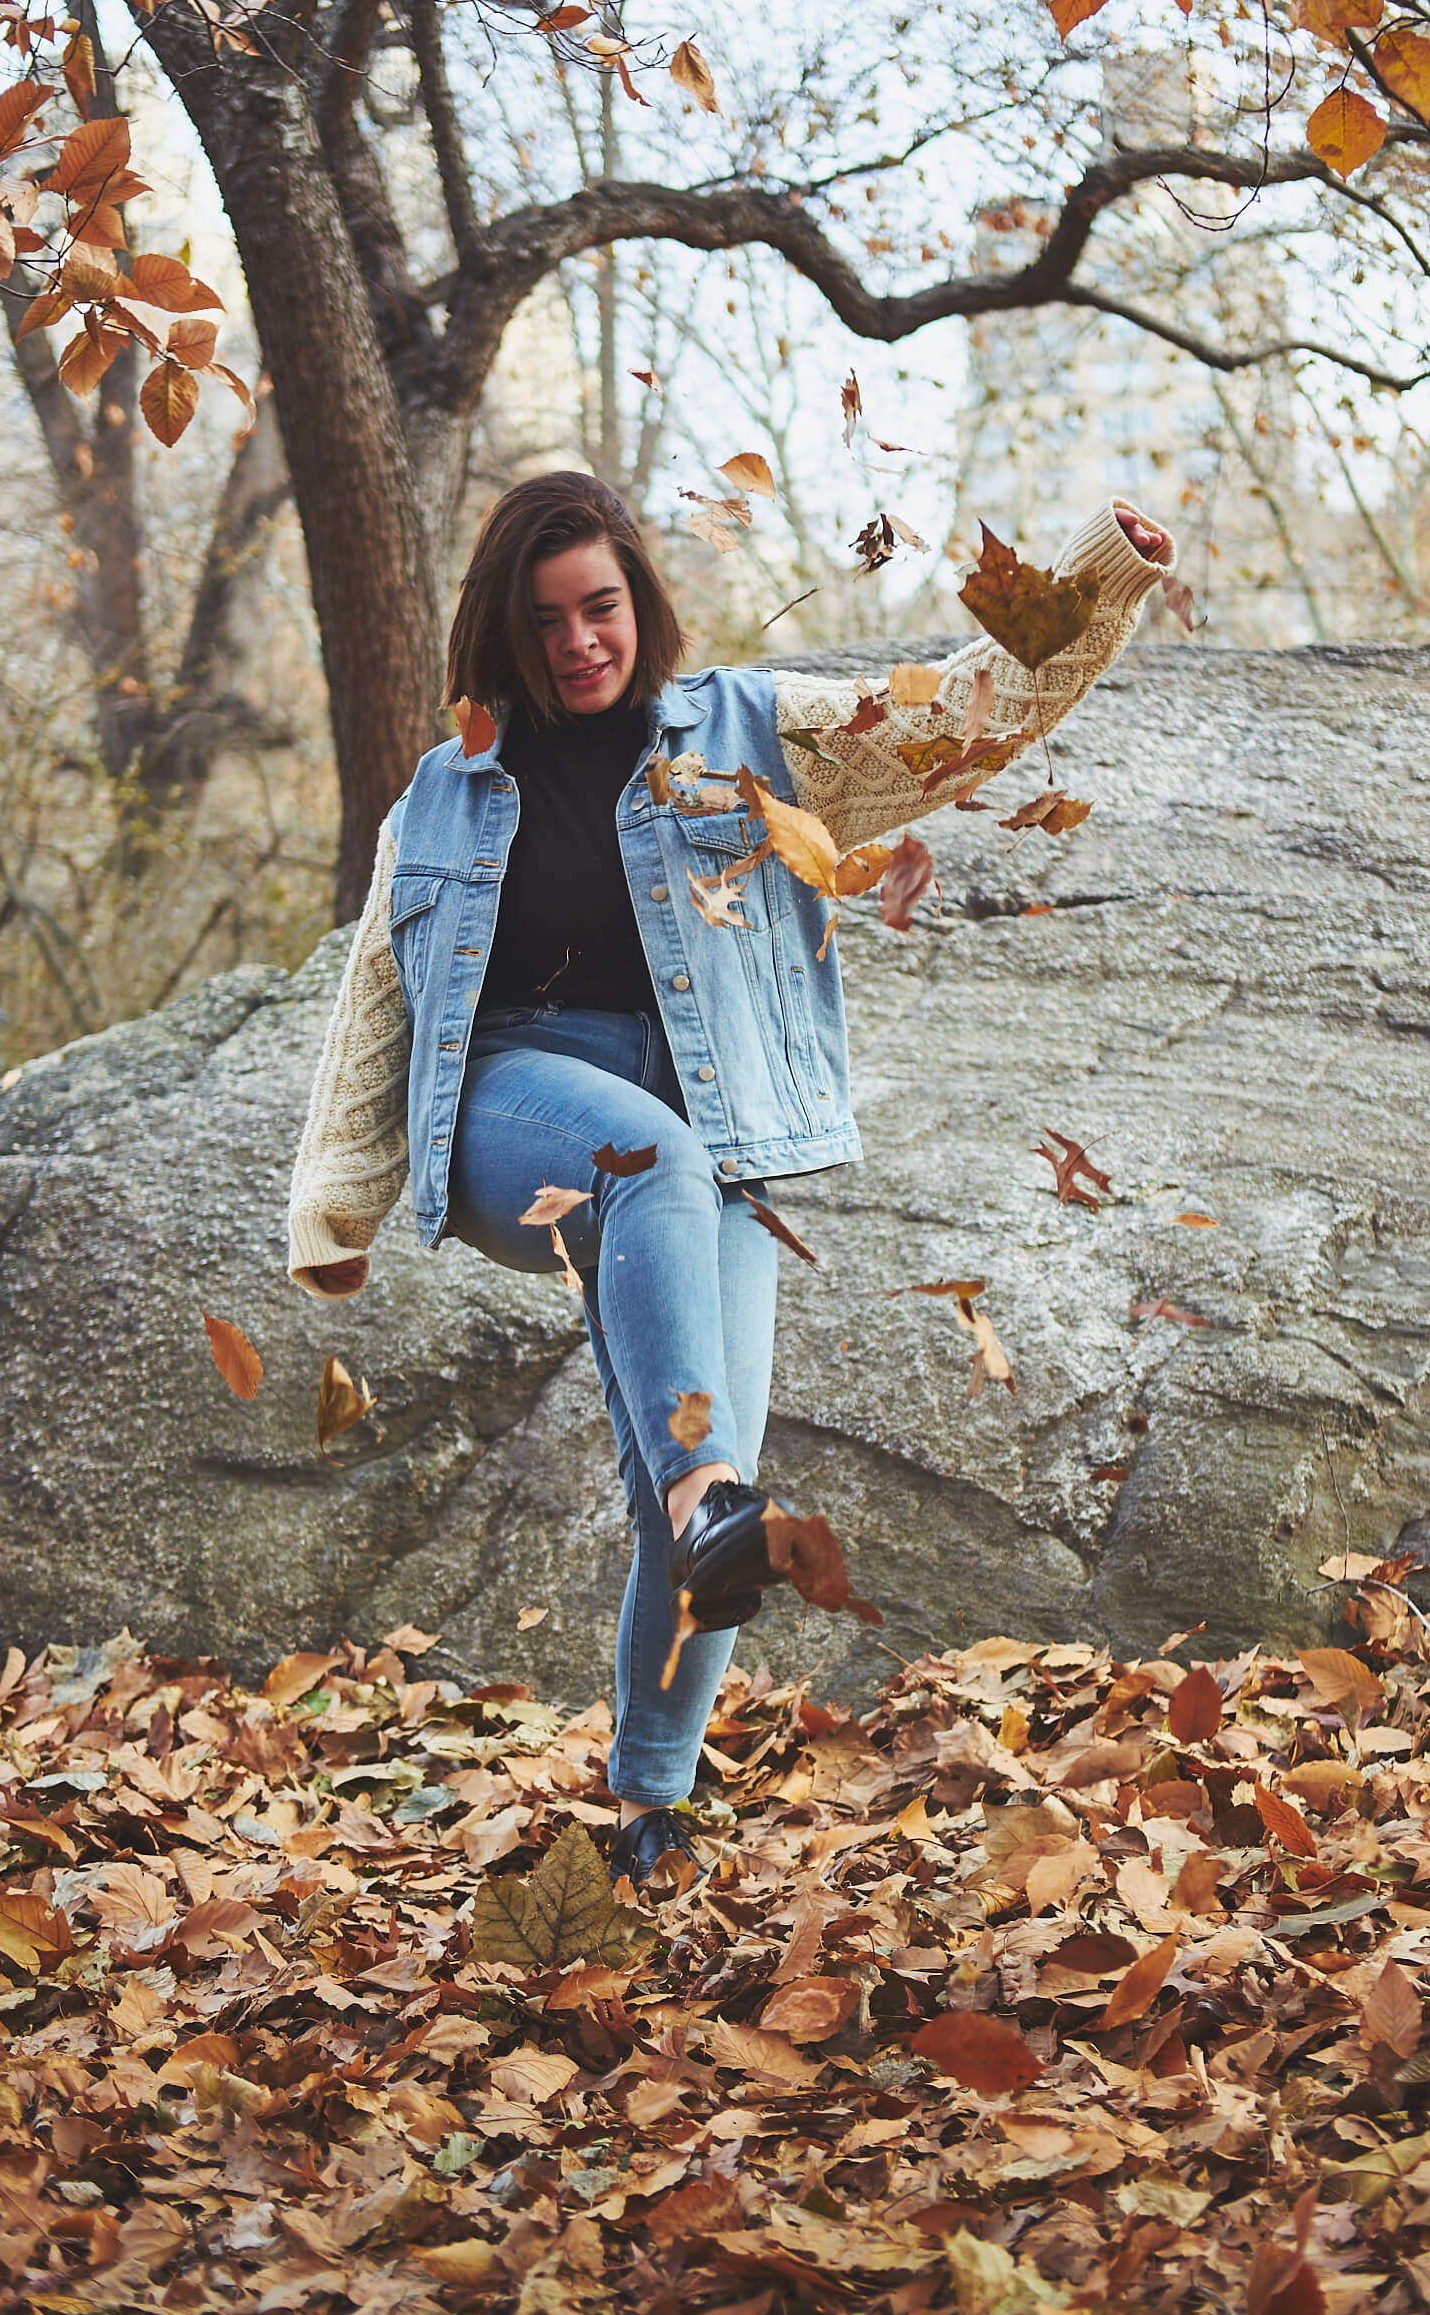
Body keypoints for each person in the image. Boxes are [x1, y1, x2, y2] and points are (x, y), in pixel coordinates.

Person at [287, 471, 1173, 1886]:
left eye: (602, 607)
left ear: (639, 601)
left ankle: (651, 1808)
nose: (580, 642)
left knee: (704, 1499)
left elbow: (954, 723)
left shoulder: (747, 729)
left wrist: (1097, 575)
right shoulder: (443, 795)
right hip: (521, 1107)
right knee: (653, 1179)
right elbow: (379, 994)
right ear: (501, 635)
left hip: (713, 1127)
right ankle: (707, 1499)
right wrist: (337, 1206)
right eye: (546, 621)